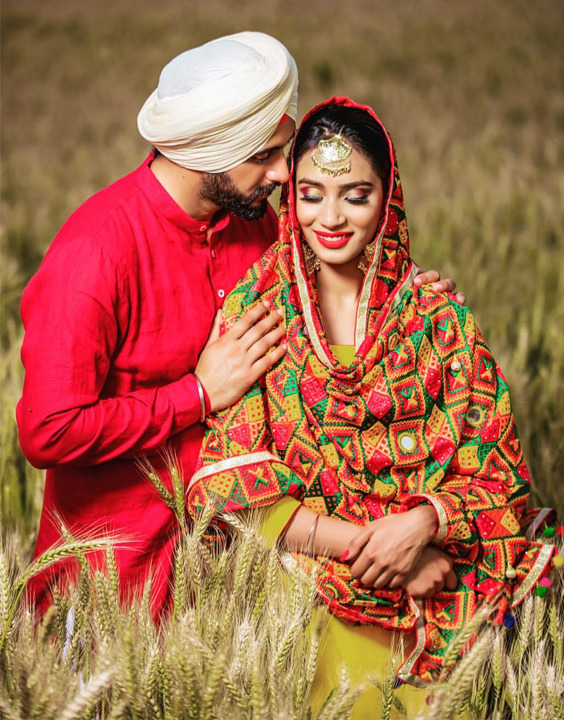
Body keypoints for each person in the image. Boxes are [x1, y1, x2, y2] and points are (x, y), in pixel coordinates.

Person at [16, 33, 461, 613]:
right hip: (112, 587)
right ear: (204, 151)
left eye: (284, 148)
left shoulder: (255, 226)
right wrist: (197, 395)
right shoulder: (94, 251)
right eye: (263, 155)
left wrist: (404, 298)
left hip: (242, 582)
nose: (283, 172)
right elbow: (47, 430)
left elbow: (334, 296)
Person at [186, 97, 557, 714]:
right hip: (298, 625)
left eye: (355, 195)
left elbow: (501, 479)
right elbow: (233, 490)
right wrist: (385, 551)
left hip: (437, 621)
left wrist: (424, 524)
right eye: (311, 193)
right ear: (289, 197)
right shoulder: (256, 317)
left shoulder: (440, 321)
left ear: (389, 199)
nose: (330, 216)